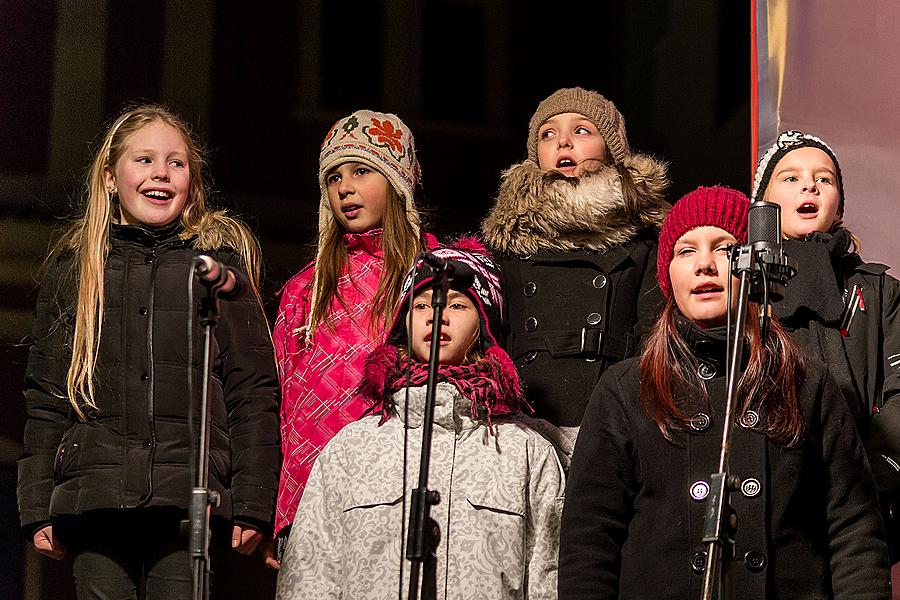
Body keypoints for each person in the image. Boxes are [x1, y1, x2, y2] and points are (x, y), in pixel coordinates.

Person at [559, 186, 890, 598]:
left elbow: (853, 531)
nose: (704, 265)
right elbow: (589, 543)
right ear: (668, 275)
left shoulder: (808, 383)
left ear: (755, 266)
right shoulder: (627, 390)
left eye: (724, 248)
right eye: (685, 251)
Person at [17, 104, 281, 598]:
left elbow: (253, 390)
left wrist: (252, 501)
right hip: (94, 500)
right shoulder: (76, 273)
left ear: (192, 183)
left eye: (176, 163)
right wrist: (36, 506)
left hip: (189, 504)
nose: (161, 173)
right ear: (111, 177)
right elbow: (46, 395)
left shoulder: (218, 273)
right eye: (144, 160)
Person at [276, 240, 565, 599]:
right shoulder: (352, 449)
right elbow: (308, 574)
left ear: (485, 326)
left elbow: (548, 579)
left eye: (457, 305)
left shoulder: (526, 453)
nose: (436, 315)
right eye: (422, 304)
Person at [271, 110, 435, 556]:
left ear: (396, 180)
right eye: (333, 177)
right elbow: (284, 406)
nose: (344, 187)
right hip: (313, 501)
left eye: (362, 171)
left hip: (404, 496)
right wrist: (282, 513)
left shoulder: (436, 276)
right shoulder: (303, 291)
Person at [481, 86, 670, 463]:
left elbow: (653, 341)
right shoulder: (508, 242)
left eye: (581, 130)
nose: (562, 141)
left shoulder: (646, 237)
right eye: (547, 134)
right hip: (522, 428)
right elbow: (491, 342)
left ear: (611, 148)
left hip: (610, 421)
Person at [752, 131, 900, 501]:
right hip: (768, 497)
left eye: (824, 178)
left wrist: (872, 479)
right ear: (762, 206)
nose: (810, 187)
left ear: (840, 208)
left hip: (865, 495)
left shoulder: (879, 289)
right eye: (790, 178)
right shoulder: (742, 290)